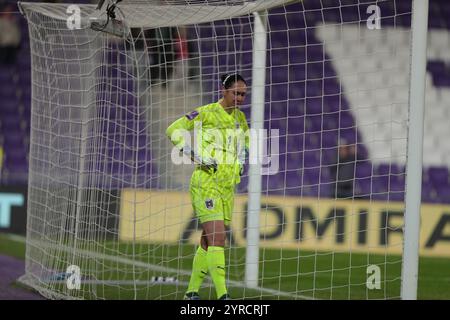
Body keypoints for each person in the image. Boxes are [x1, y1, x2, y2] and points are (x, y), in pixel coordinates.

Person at [166, 74, 249, 300]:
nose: (240, 98)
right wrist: (195, 155)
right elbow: (173, 129)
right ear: (224, 90)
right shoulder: (206, 112)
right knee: (219, 238)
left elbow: (246, 143)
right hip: (206, 183)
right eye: (236, 93)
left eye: (243, 94)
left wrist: (242, 160)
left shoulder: (240, 118)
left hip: (227, 187)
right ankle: (223, 296)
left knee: (207, 240)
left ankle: (191, 293)